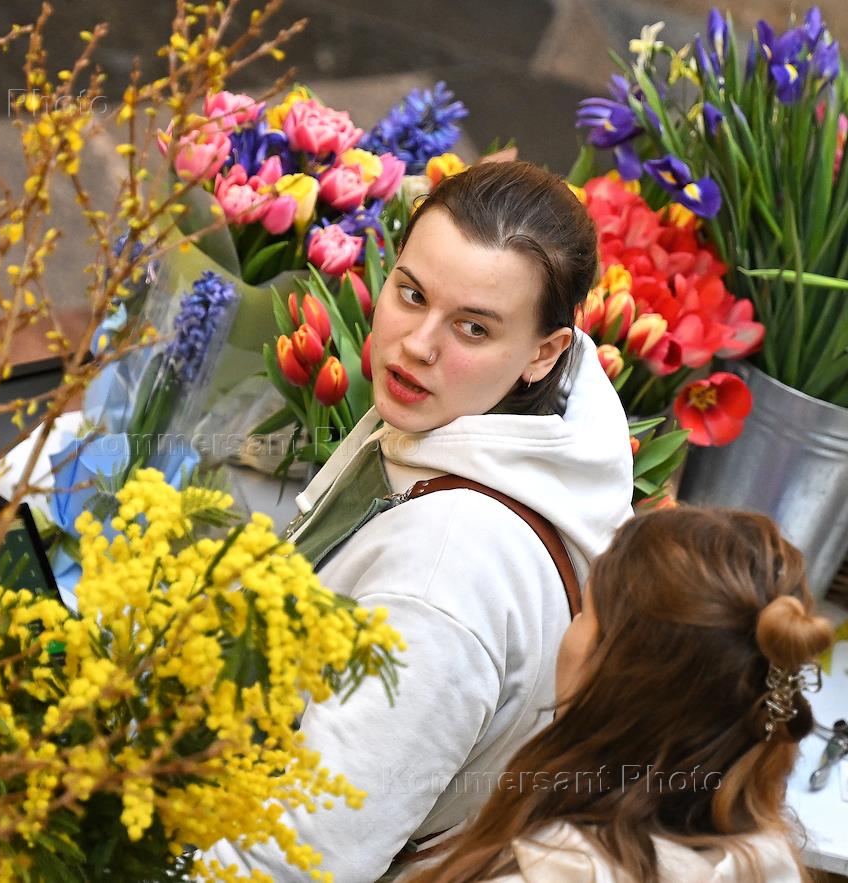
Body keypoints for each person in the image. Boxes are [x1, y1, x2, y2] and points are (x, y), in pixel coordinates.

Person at [201, 161, 634, 880]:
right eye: (411, 293)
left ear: (544, 352)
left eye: (473, 327)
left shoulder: (443, 579)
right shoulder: (498, 431)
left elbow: (300, 859)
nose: (418, 344)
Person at [402, 506, 835, 883]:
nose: (570, 624)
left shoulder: (546, 872)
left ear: (621, 682)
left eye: (586, 612)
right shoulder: (764, 857)